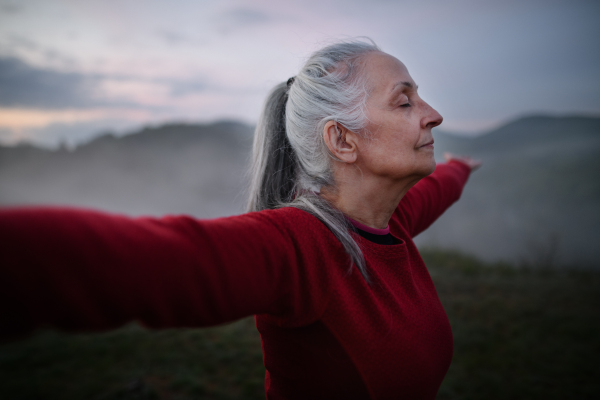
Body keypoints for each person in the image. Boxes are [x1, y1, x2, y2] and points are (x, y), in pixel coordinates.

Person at [0, 39, 481, 399]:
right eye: (405, 101)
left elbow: (438, 191)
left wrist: (460, 167)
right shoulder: (296, 249)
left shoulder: (389, 222)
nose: (433, 114)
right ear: (342, 141)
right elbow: (136, 264)